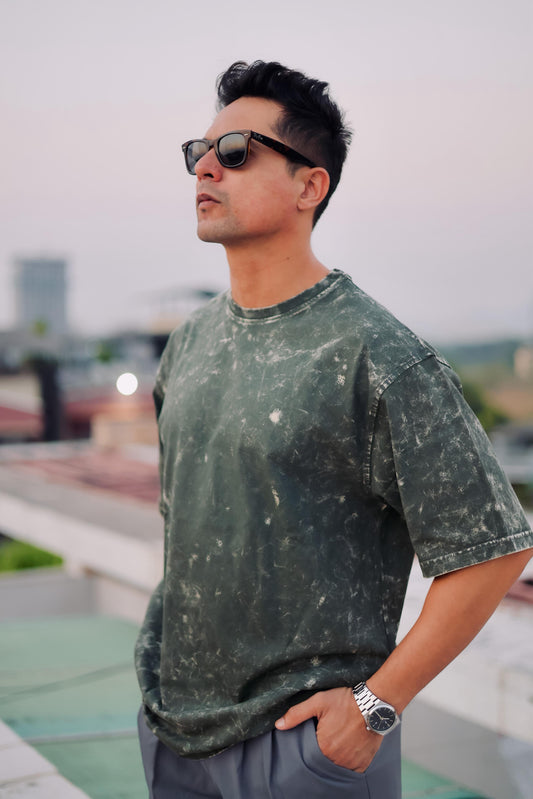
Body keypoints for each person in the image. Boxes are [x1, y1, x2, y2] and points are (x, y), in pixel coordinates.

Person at [135, 60, 533, 799]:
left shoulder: (376, 354)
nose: (205, 170)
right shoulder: (188, 342)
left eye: (235, 152)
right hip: (173, 735)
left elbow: (492, 550)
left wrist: (375, 707)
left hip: (301, 749)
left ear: (308, 186)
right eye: (200, 152)